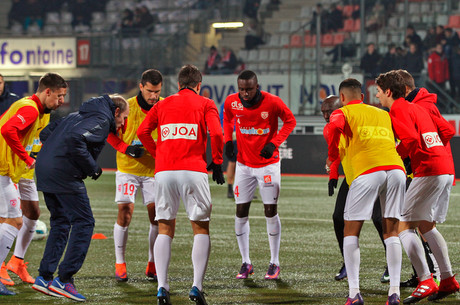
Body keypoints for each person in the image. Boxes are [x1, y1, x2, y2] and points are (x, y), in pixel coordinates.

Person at [137, 64, 224, 305]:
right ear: (199, 85)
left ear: (177, 85)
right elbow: (217, 134)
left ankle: (162, 288)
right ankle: (196, 286)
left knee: (164, 228)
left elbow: (143, 131)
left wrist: (159, 153)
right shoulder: (206, 103)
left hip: (164, 172)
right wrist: (217, 161)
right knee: (201, 228)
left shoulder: (162, 104)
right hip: (193, 171)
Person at [31, 94, 129, 302]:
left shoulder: (76, 115)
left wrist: (55, 154)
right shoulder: (102, 119)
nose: (122, 123)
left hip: (46, 170)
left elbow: (47, 132)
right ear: (117, 111)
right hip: (64, 174)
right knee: (84, 222)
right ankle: (64, 279)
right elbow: (76, 139)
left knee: (61, 222)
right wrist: (92, 168)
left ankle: (45, 276)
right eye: (123, 117)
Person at [375, 71, 459, 304]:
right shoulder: (421, 107)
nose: (377, 95)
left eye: (379, 91)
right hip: (443, 167)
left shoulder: (399, 108)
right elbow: (447, 131)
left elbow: (410, 140)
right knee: (426, 226)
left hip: (429, 170)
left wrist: (394, 155)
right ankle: (448, 278)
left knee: (403, 226)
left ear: (389, 92)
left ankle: (425, 279)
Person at [326, 78, 406, 305]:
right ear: (362, 97)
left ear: (342, 98)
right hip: (396, 169)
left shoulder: (342, 113)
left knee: (351, 231)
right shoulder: (383, 113)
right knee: (391, 232)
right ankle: (394, 293)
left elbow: (333, 128)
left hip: (368, 170)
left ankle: (354, 294)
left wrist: (332, 155)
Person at [223, 70, 296, 281]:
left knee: (270, 211)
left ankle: (275, 262)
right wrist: (229, 140)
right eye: (241, 89)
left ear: (258, 86)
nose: (244, 93)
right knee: (240, 212)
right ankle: (246, 262)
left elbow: (290, 121)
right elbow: (227, 119)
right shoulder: (231, 102)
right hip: (244, 166)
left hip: (267, 165)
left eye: (249, 89)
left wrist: (274, 143)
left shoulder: (272, 102)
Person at [0, 72, 68, 296]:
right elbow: (7, 130)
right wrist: (26, 158)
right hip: (5, 168)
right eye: (59, 96)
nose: (61, 101)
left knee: (32, 213)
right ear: (47, 91)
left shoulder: (43, 111)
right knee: (12, 219)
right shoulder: (30, 108)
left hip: (20, 170)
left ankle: (16, 262)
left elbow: (32, 140)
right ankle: (1, 268)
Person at [321, 95, 389, 283]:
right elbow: (335, 152)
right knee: (337, 217)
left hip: (371, 173)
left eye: (330, 111)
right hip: (352, 177)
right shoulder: (330, 128)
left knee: (379, 218)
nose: (326, 116)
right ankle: (347, 262)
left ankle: (390, 263)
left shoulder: (356, 118)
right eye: (323, 112)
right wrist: (333, 175)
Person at [106, 69, 163, 283]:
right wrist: (125, 148)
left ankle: (152, 263)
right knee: (125, 213)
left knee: (156, 216)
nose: (154, 96)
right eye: (150, 91)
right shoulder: (125, 106)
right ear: (141, 87)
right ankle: (120, 262)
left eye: (157, 91)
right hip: (128, 169)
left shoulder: (164, 106)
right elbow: (109, 133)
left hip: (153, 171)